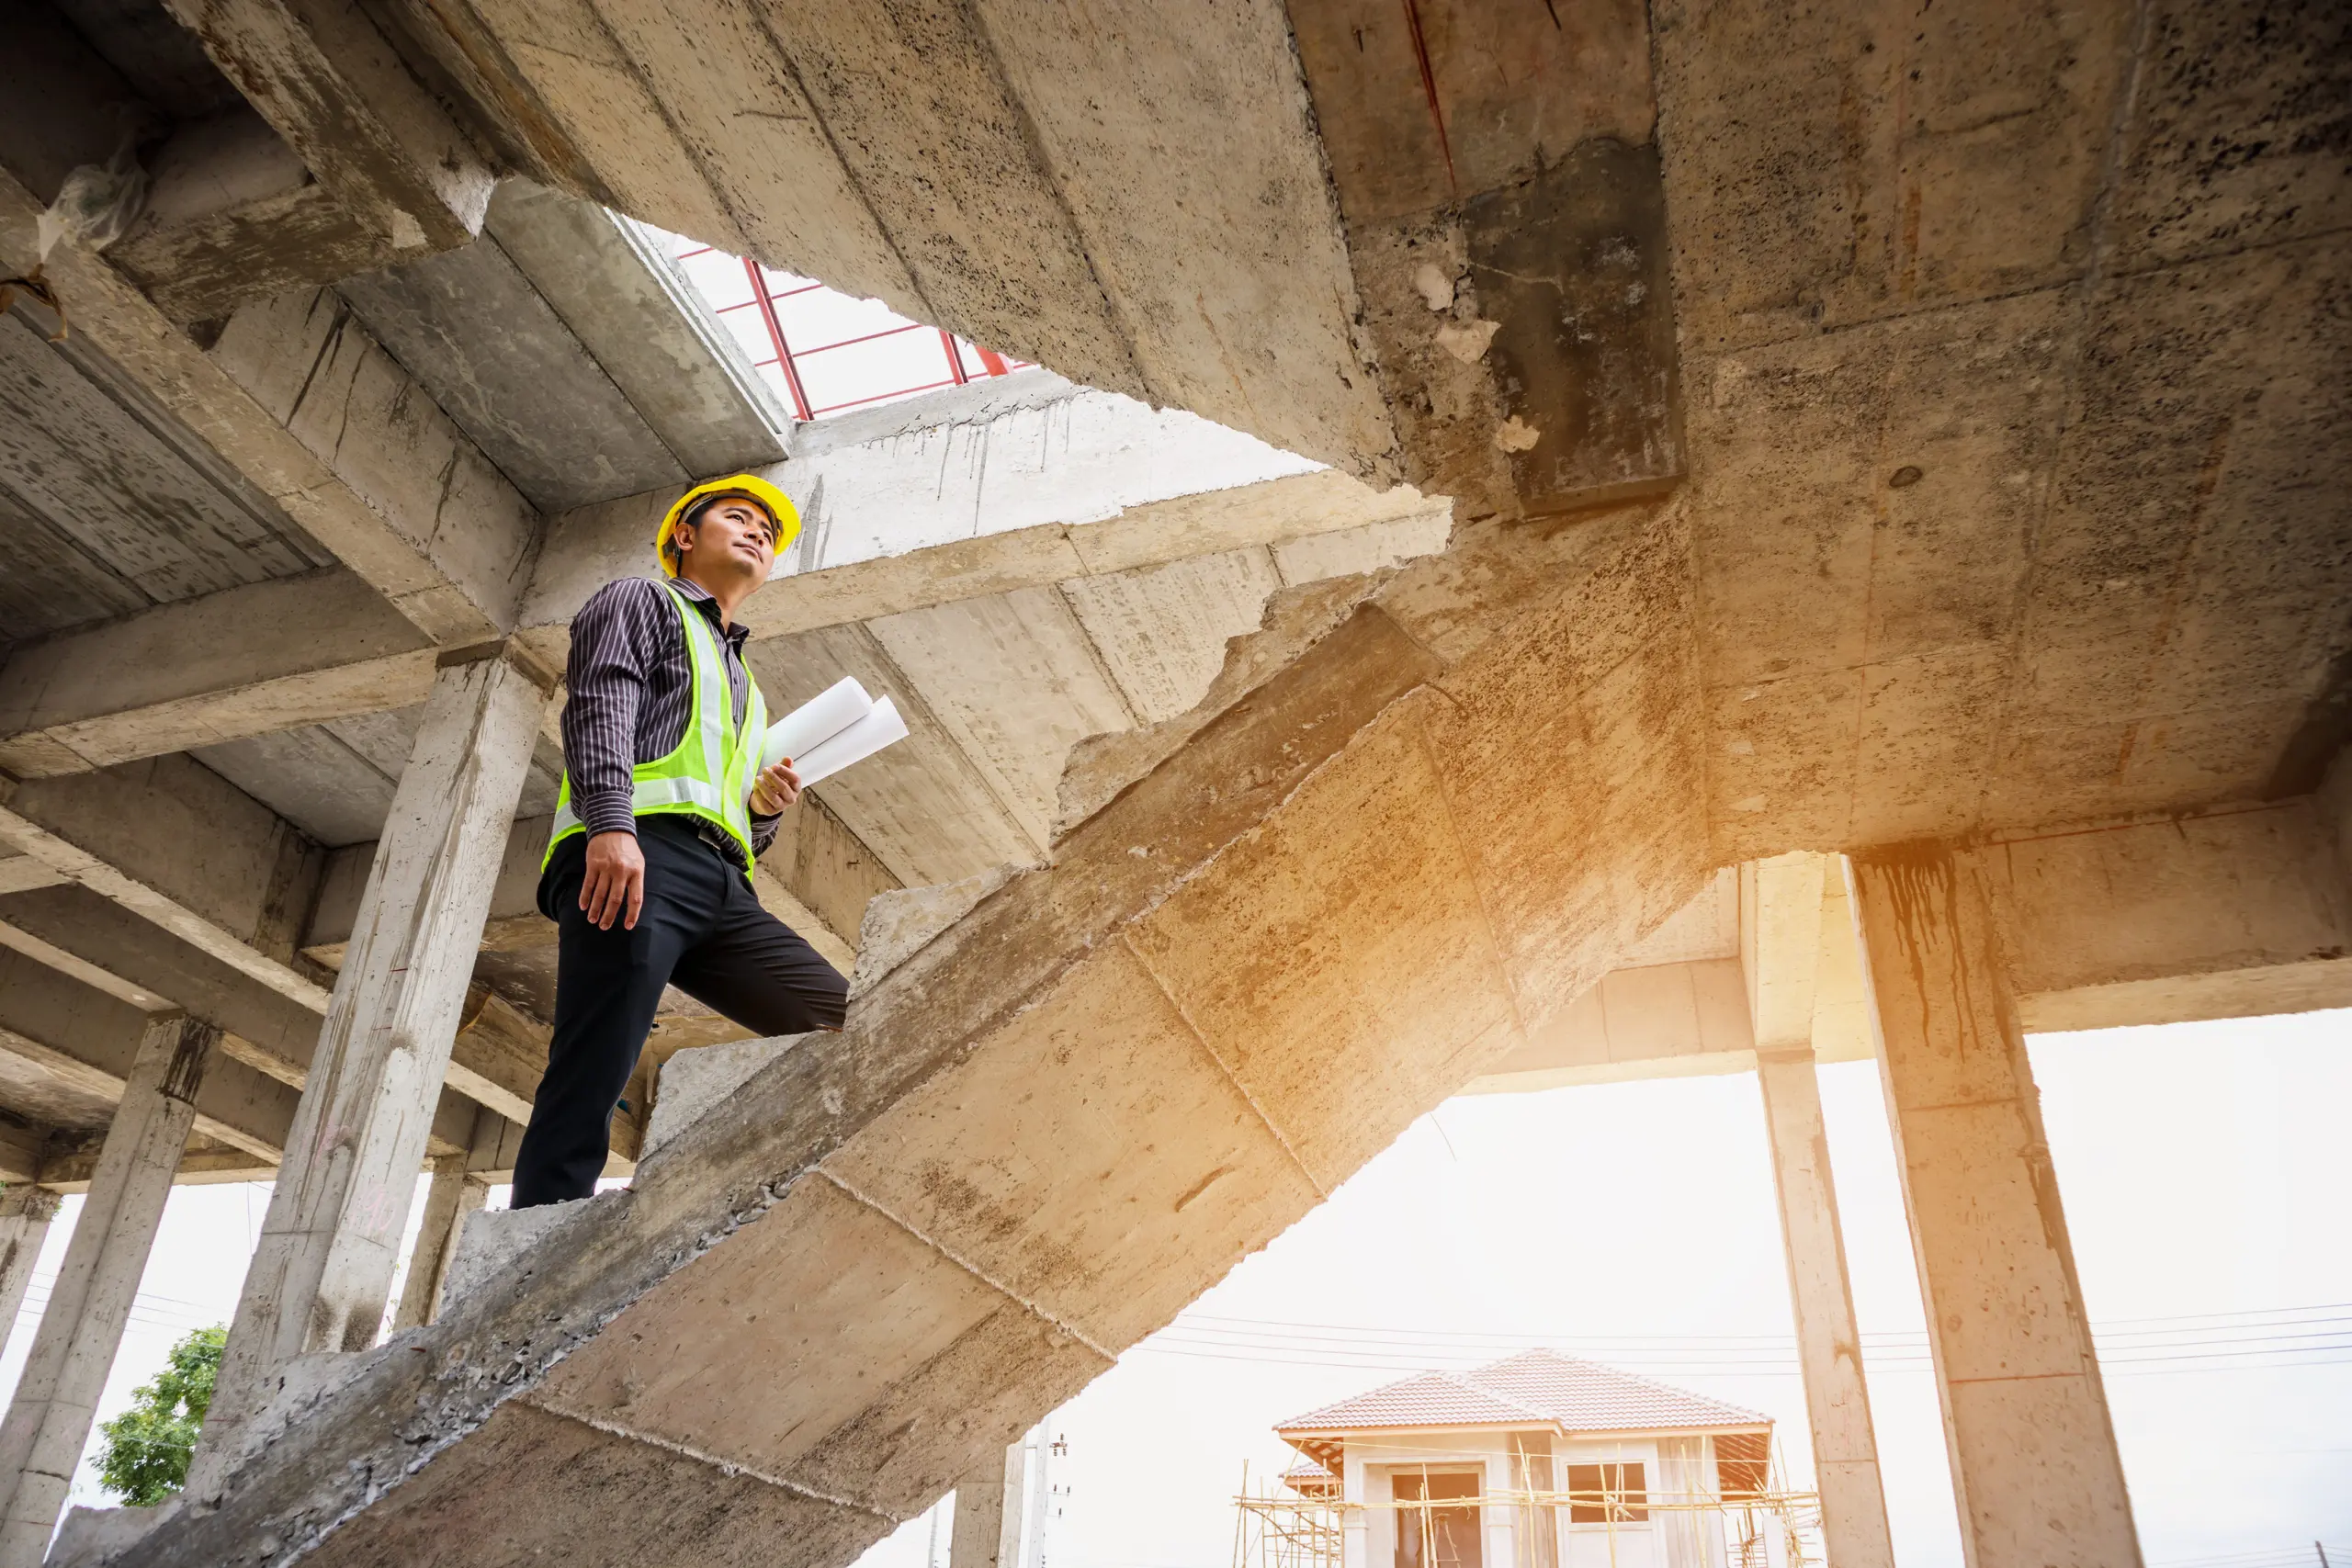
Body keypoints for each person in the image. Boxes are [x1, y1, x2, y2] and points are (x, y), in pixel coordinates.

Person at [512, 474, 849, 1207]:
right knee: (593, 1068)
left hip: (722, 882)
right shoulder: (640, 599)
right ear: (685, 537)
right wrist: (610, 824)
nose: (759, 532)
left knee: (847, 1017)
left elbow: (726, 807)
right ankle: (528, 1251)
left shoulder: (745, 683)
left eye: (770, 529)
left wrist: (762, 810)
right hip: (634, 859)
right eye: (739, 516)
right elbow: (599, 703)